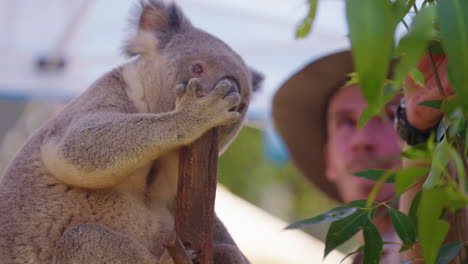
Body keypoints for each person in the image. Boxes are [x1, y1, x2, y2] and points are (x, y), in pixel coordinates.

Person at [272, 50, 452, 264]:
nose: (362, 140)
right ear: (328, 159)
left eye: (391, 116)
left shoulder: (458, 234)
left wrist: (416, 136)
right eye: (346, 122)